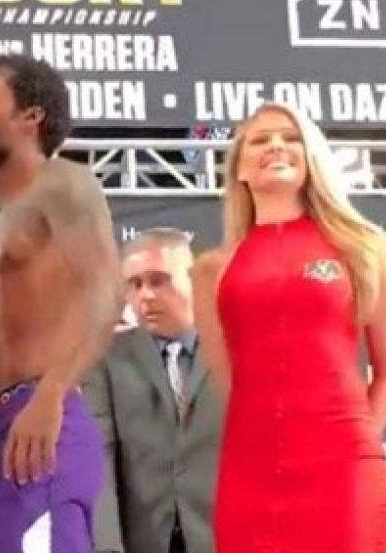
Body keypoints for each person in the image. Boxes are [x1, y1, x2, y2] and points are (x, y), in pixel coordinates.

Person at [192, 102, 386, 553]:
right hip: (250, 471)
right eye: (259, 139)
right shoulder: (212, 270)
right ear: (240, 169)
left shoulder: (362, 247)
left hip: (343, 469)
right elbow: (229, 380)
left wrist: (356, 441)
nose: (275, 146)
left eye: (290, 138)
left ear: (312, 157)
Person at [0, 54, 121, 552]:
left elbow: (109, 292)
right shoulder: (8, 218)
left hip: (45, 430)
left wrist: (51, 394)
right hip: (8, 435)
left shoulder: (65, 183)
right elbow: (8, 345)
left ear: (32, 117)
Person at [86, 228, 223, 553]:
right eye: (133, 285)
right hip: (143, 541)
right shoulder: (103, 359)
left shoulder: (233, 350)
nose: (144, 295)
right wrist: (107, 547)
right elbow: (99, 461)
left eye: (158, 280)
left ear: (193, 281)